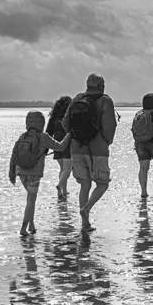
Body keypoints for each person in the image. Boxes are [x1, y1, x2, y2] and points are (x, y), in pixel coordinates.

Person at [63, 73, 117, 232]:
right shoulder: (106, 100)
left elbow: (65, 123)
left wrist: (76, 137)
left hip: (76, 148)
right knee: (102, 184)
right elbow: (109, 126)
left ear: (87, 85)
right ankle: (86, 209)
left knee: (84, 184)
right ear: (102, 86)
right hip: (98, 149)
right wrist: (106, 141)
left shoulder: (77, 98)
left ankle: (85, 224)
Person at [9, 110, 71, 237]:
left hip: (20, 172)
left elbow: (14, 155)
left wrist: (12, 173)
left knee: (30, 198)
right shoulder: (43, 137)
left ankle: (31, 225)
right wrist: (69, 134)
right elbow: (60, 147)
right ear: (41, 123)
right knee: (31, 201)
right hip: (34, 173)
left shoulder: (23, 136)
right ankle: (23, 228)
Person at [46, 95, 73, 200]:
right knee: (68, 169)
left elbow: (48, 133)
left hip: (56, 144)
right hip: (67, 144)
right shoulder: (70, 116)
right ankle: (59, 185)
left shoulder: (53, 118)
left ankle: (63, 192)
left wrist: (45, 150)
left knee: (62, 169)